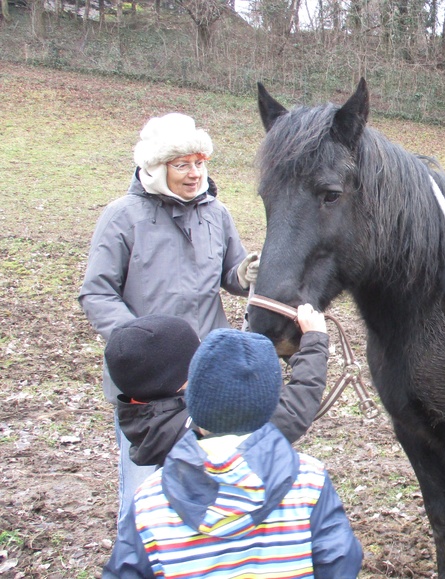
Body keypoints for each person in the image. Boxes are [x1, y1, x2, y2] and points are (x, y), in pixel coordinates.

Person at [78, 112, 318, 534]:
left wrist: (244, 273)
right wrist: (139, 346)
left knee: (217, 481)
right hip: (148, 384)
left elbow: (230, 273)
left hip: (209, 373)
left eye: (200, 162)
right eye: (182, 165)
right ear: (156, 167)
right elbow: (96, 292)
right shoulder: (122, 217)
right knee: (146, 489)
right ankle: (142, 556)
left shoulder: (216, 213)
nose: (194, 174)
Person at [103, 329, 363, 579]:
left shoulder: (149, 499)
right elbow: (340, 564)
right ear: (271, 402)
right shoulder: (309, 480)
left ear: (192, 398)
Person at [105, 307, 331, 468]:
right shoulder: (196, 426)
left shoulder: (152, 422)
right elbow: (290, 412)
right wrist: (314, 342)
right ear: (181, 379)